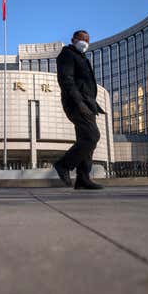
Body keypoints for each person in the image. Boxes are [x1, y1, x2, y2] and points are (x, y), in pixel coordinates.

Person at [53, 30, 106, 190]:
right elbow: (66, 80)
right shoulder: (67, 54)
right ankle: (63, 165)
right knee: (92, 136)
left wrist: (91, 103)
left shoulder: (81, 57)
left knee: (86, 140)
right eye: (82, 39)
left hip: (88, 103)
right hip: (76, 103)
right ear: (74, 39)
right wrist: (79, 103)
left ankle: (83, 178)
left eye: (87, 40)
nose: (85, 42)